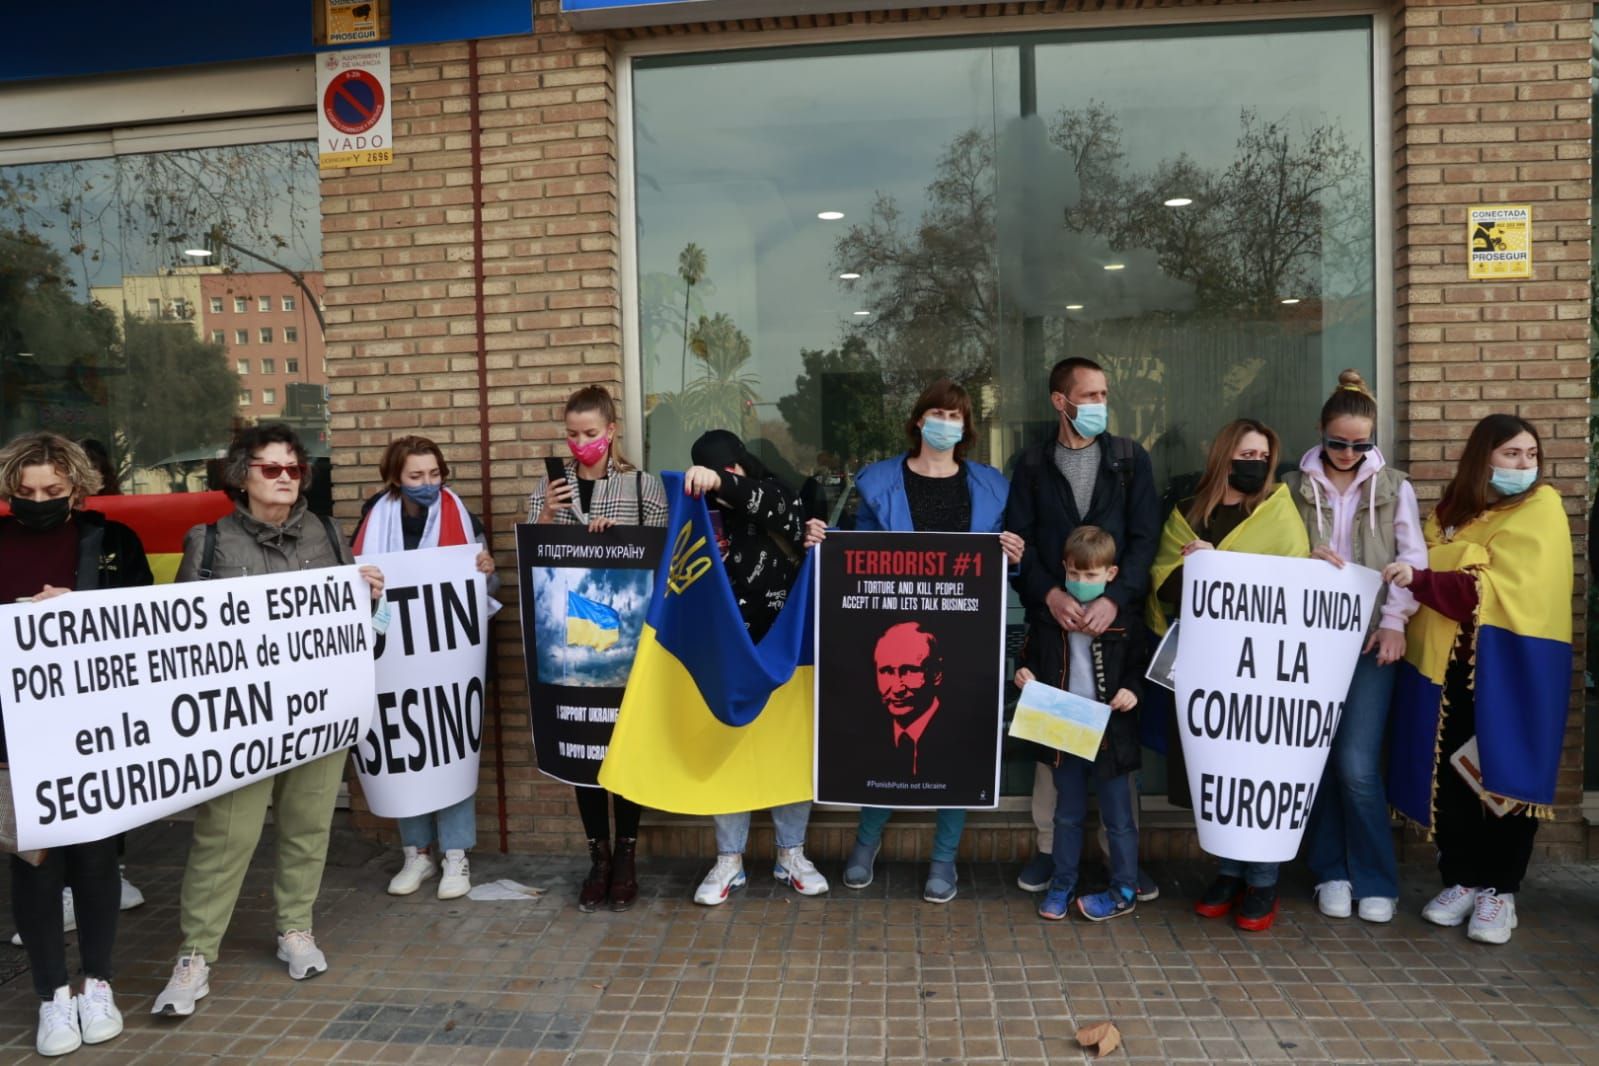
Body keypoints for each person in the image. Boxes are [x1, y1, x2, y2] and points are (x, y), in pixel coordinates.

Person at [153, 424, 385, 1018]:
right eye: (271, 468)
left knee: (309, 825)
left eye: (294, 469)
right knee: (225, 835)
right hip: (244, 720)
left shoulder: (330, 535)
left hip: (318, 710)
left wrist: (371, 599)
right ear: (242, 475)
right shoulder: (209, 541)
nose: (285, 478)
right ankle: (196, 953)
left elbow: (361, 629)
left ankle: (295, 928)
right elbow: (181, 630)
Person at [804, 378, 1023, 903]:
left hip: (966, 634)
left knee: (961, 741)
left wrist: (1016, 555)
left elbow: (1003, 569)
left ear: (966, 428)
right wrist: (821, 543)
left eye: (956, 416)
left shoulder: (993, 486)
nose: (947, 423)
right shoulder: (878, 481)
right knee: (885, 735)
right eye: (938, 413)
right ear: (919, 420)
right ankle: (866, 843)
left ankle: (944, 858)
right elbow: (852, 554)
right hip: (893, 633)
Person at [1382, 414, 1572, 945]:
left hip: (1511, 668)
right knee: (1452, 777)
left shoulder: (1541, 508)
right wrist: (1457, 564)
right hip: (1447, 672)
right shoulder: (1453, 511)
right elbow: (1444, 569)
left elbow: (1479, 588)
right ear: (1483, 456)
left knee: (1503, 777)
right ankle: (1462, 879)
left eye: (1531, 455)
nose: (1523, 464)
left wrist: (1431, 574)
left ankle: (1500, 891)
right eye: (1512, 454)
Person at [0, 432, 153, 1056]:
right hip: (12, 729)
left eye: (52, 492)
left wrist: (83, 605)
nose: (37, 501)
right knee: (34, 865)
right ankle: (51, 997)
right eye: (24, 492)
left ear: (78, 489)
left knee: (94, 861)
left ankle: (98, 984)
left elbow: (150, 622)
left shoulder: (113, 541)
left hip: (94, 727)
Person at [1004, 357, 1161, 901]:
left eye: (1102, 395)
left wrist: (1115, 600)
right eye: (1088, 395)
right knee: (1055, 758)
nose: (1098, 404)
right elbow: (1018, 543)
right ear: (1060, 401)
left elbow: (1146, 540)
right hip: (1054, 630)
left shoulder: (1129, 460)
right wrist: (1048, 594)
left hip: (1115, 632)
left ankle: (1123, 860)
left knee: (1116, 758)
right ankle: (1051, 853)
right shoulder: (1029, 465)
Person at [1148, 418, 1309, 931]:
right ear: (1222, 455)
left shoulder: (1280, 512)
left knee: (1260, 771)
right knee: (1216, 773)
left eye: (1263, 455)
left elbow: (1293, 588)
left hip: (1265, 672)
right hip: (1206, 669)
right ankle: (1227, 871)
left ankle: (1262, 880)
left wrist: (1224, 565)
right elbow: (1162, 586)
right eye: (1245, 453)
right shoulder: (1187, 514)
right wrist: (1197, 569)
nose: (1254, 463)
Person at [1281, 371, 1425, 924]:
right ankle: (1330, 872)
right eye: (1336, 442)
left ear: (1372, 441)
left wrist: (1395, 621)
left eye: (1359, 445)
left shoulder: (1394, 487)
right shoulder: (1292, 487)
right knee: (1315, 760)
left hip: (1369, 642)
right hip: (1309, 640)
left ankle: (1375, 877)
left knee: (1358, 764)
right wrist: (1302, 561)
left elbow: (1413, 563)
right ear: (1320, 432)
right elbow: (1272, 557)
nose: (1346, 453)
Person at [529, 385, 667, 912]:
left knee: (622, 748)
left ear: (611, 432)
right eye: (571, 434)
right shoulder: (550, 485)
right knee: (582, 746)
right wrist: (546, 514)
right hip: (569, 642)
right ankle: (599, 857)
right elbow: (535, 557)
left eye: (589, 433)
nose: (579, 443)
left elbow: (660, 559)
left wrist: (614, 538)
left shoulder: (641, 487)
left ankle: (627, 857)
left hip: (628, 644)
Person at [683, 429, 828, 905]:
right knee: (728, 750)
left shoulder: (778, 496)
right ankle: (729, 861)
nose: (722, 480)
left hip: (784, 649)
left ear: (742, 464)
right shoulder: (697, 515)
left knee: (789, 750)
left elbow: (765, 501)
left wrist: (720, 482)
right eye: (712, 471)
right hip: (724, 652)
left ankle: (792, 855)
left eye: (729, 468)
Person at [353, 436, 499, 902]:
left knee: (450, 744)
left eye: (435, 475)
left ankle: (456, 855)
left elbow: (485, 585)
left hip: (449, 663)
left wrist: (485, 567)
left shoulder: (462, 516)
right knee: (404, 746)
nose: (427, 484)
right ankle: (416, 852)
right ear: (395, 477)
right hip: (394, 659)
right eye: (416, 476)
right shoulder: (372, 520)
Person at [1014, 526, 1145, 923]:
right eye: (1074, 574)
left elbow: (1140, 667)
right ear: (1063, 570)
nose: (1081, 583)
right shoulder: (1049, 618)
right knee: (1066, 813)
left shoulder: (1125, 620)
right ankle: (1062, 882)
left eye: (1091, 576)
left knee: (1118, 818)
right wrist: (1024, 674)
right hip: (1065, 729)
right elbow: (1030, 657)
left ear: (1111, 573)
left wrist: (1131, 691)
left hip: (1112, 733)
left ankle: (1124, 887)